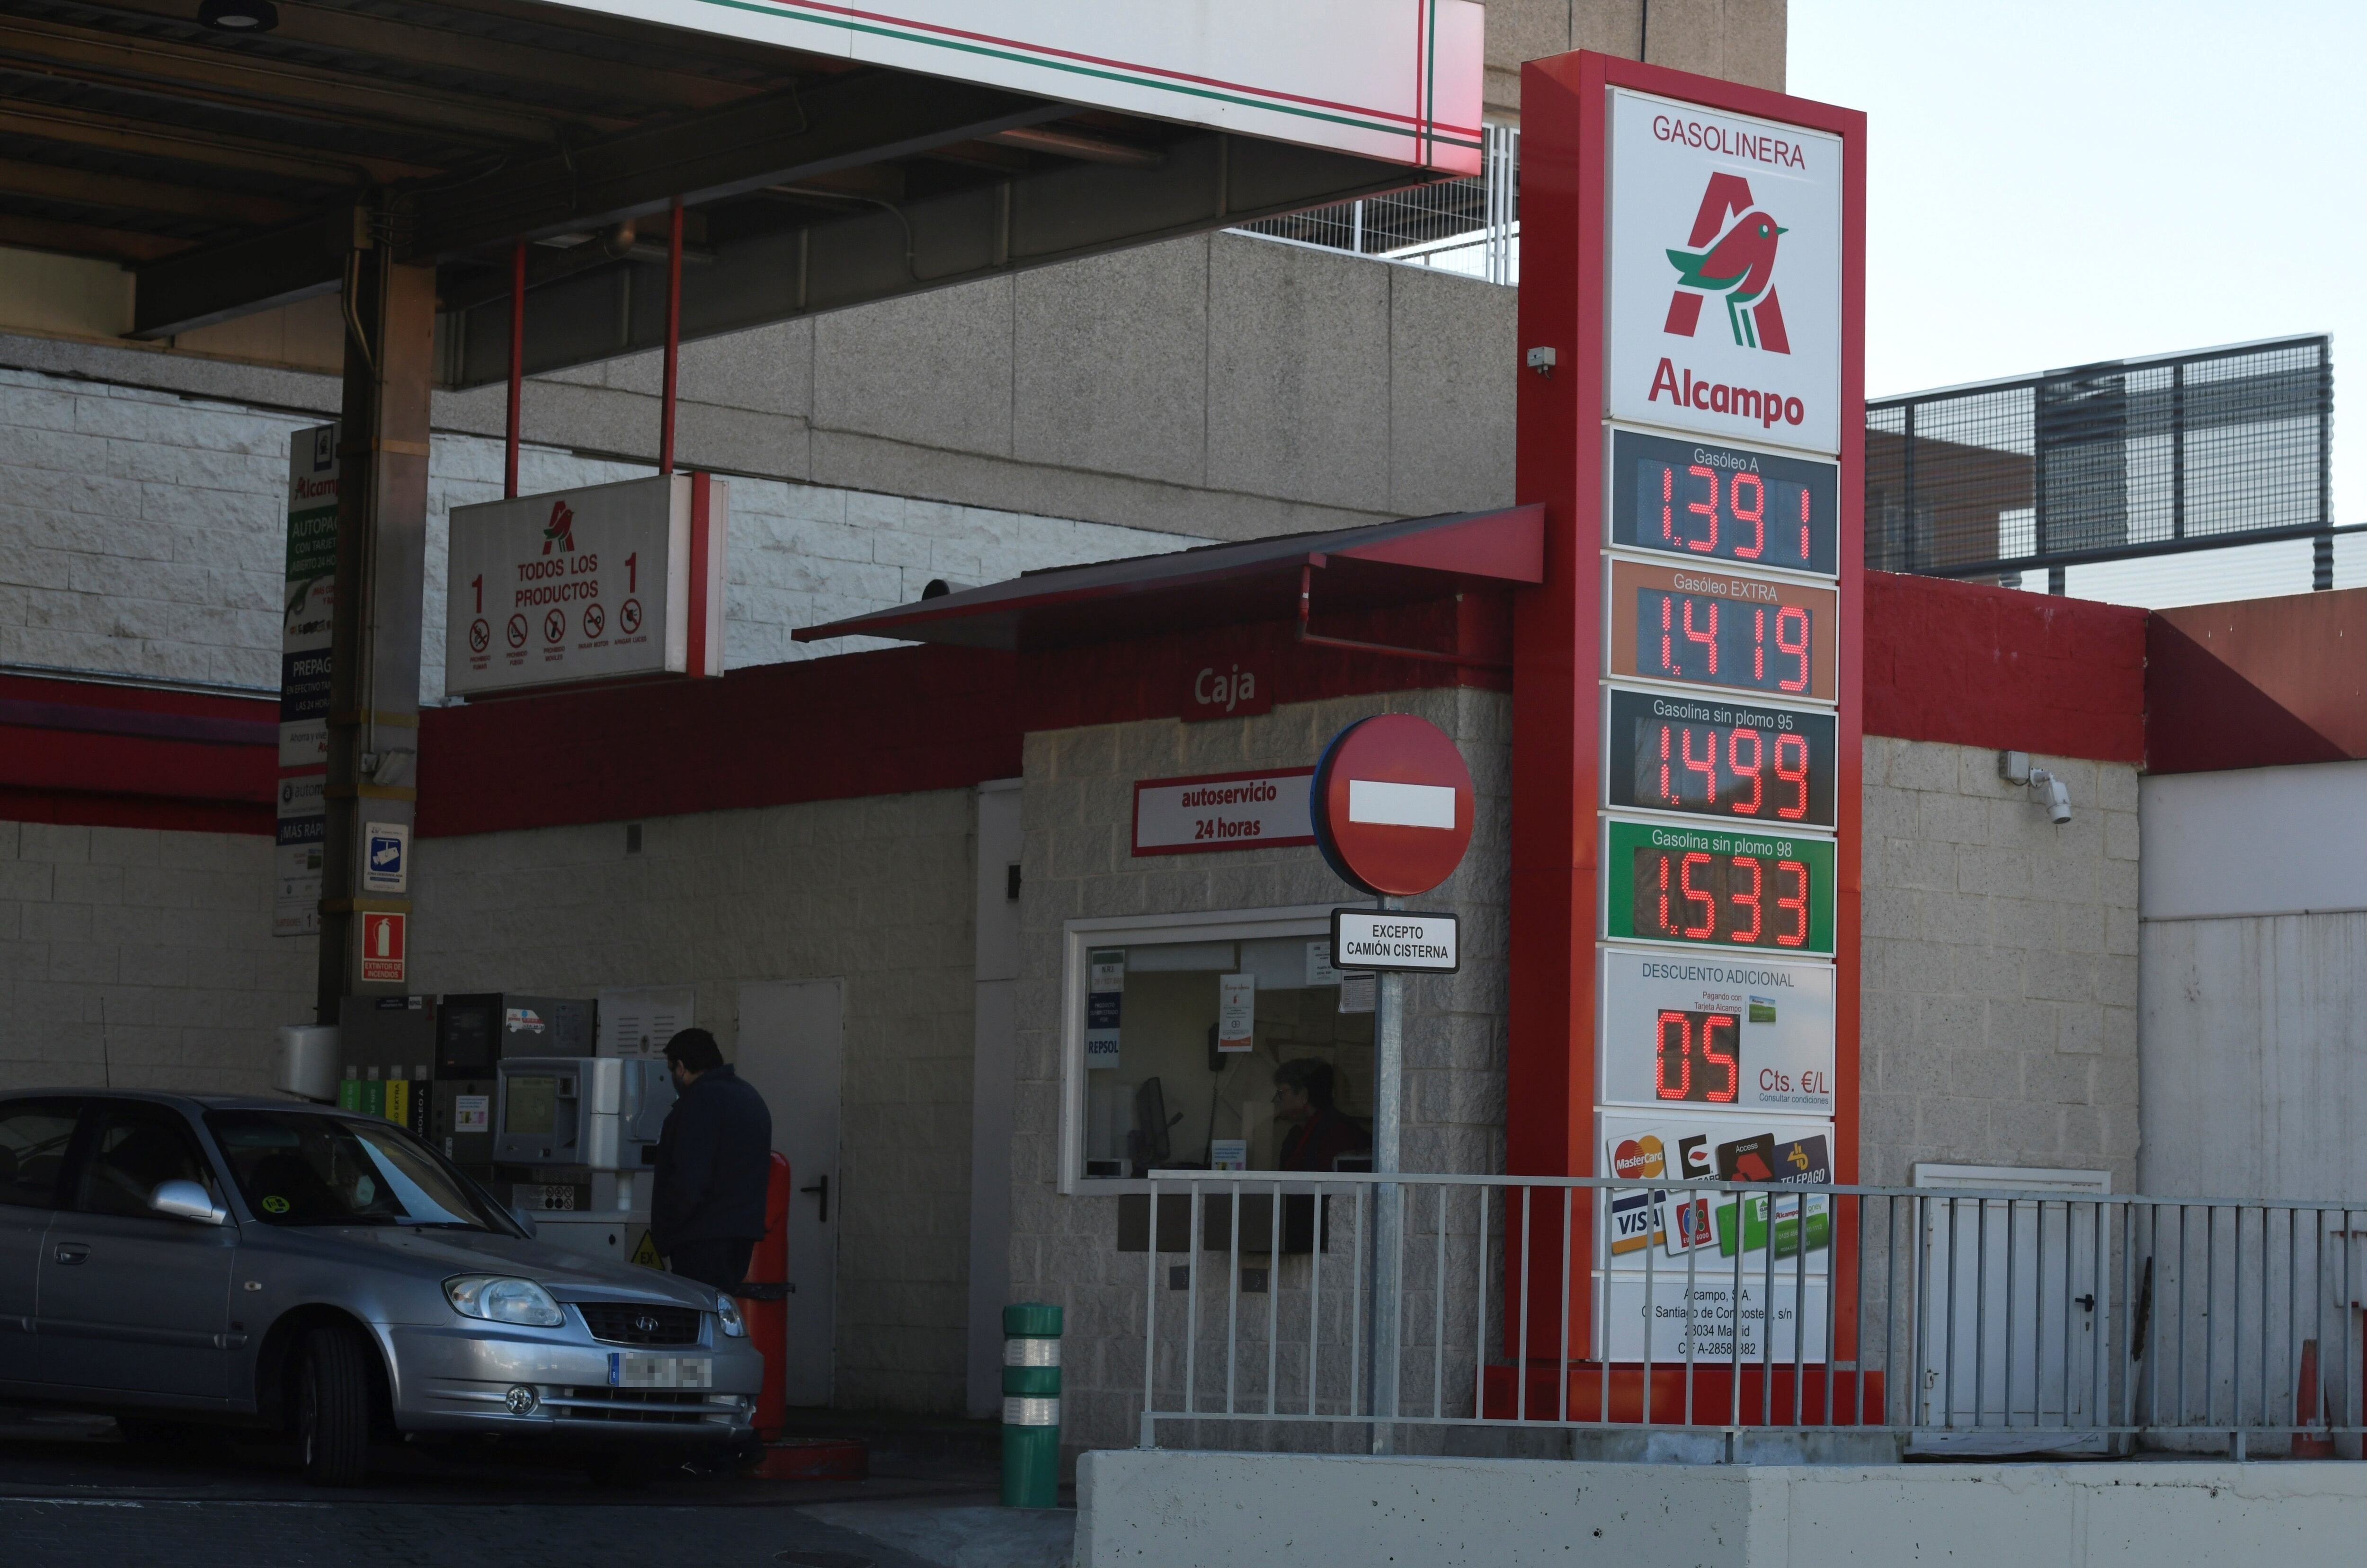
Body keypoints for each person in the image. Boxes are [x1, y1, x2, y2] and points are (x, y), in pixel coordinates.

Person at [650, 1028, 774, 1290]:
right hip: (741, 1235)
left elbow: (688, 1179)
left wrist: (665, 1234)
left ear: (681, 1068)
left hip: (700, 1239)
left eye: (673, 1069)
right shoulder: (750, 1098)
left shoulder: (697, 1104)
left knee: (697, 1315)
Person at [1272, 1058, 1370, 1172]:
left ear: (1304, 1095)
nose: (1277, 1100)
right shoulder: (1296, 1134)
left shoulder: (1338, 1133)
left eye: (1281, 1093)